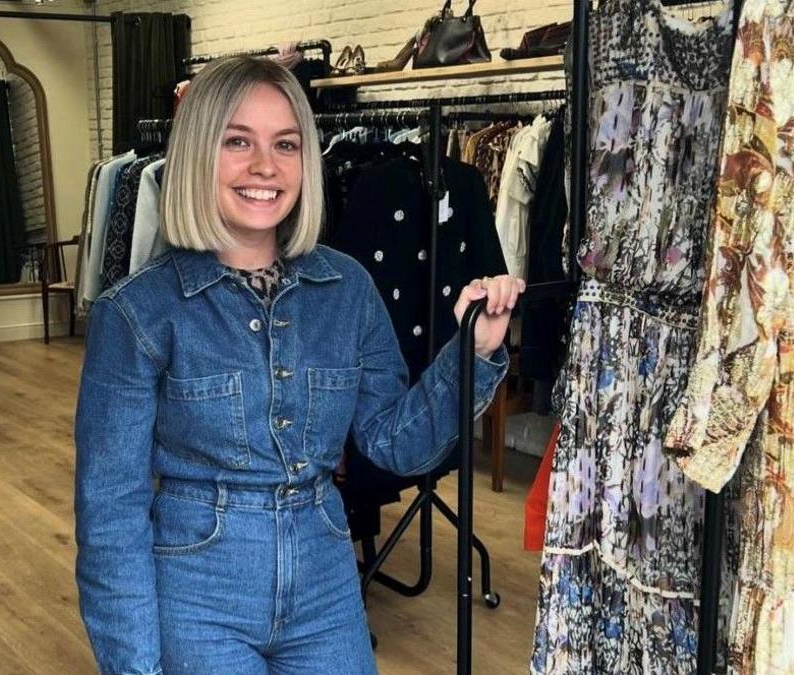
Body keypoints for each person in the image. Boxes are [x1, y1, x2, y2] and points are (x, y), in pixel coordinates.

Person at [74, 55, 522, 675]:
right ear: (199, 152)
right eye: (238, 141)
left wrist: (473, 352)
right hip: (196, 591)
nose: (265, 167)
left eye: (285, 144)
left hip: (325, 582)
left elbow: (393, 444)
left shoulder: (347, 289)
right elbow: (109, 512)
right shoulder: (137, 313)